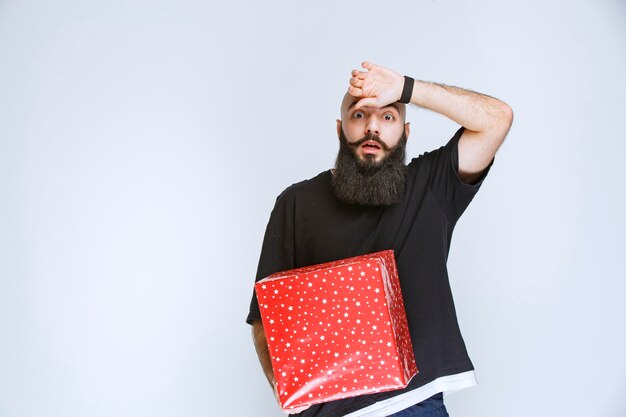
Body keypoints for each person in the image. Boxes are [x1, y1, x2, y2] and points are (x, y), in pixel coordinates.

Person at [246, 61, 513, 417]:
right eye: (360, 115)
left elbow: (497, 118)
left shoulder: (430, 187)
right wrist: (283, 386)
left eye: (388, 117)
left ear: (405, 131)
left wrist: (405, 88)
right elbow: (265, 315)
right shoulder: (295, 203)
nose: (372, 126)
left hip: (414, 404)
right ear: (341, 129)